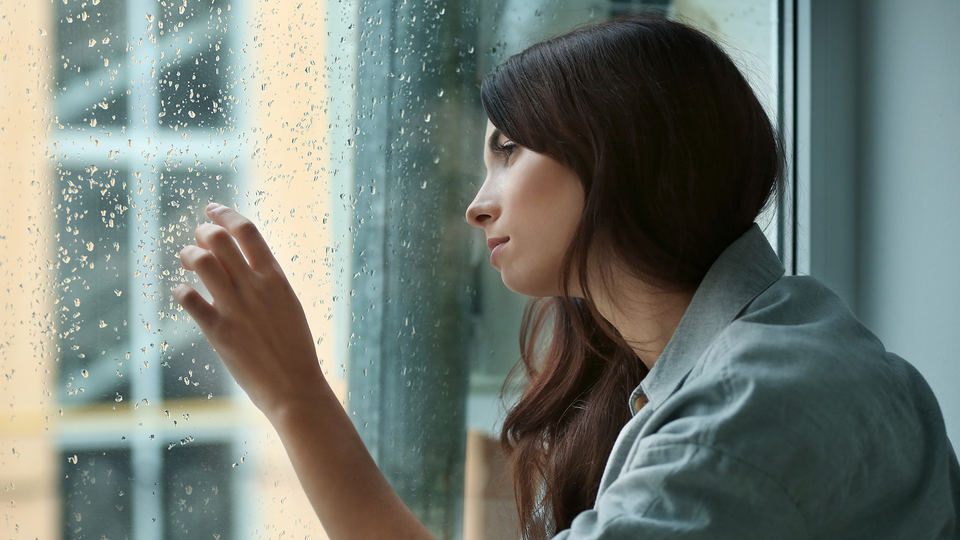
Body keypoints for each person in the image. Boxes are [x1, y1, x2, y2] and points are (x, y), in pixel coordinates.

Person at [173, 14, 960, 540]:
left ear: (619, 150)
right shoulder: (776, 343)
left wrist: (297, 397)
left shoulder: (751, 406)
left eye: (509, 152)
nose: (478, 206)